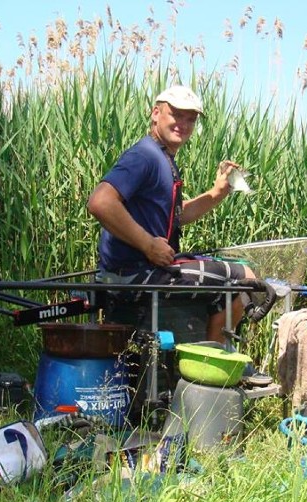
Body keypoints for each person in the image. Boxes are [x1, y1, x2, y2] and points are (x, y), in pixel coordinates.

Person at [87, 84, 255, 343]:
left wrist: (216, 194)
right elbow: (100, 202)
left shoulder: (163, 158)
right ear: (156, 113)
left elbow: (174, 217)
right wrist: (148, 245)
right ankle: (212, 364)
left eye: (191, 119)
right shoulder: (145, 156)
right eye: (176, 114)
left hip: (143, 270)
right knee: (246, 280)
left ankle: (209, 355)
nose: (183, 123)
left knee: (239, 271)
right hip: (133, 275)